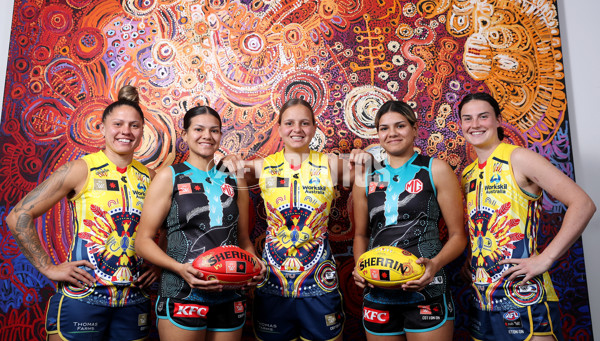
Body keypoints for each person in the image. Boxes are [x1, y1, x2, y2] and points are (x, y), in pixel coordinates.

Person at [6, 85, 158, 340]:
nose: (125, 131)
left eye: (134, 125)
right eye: (117, 124)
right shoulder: (80, 169)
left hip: (134, 301)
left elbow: (164, 224)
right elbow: (18, 216)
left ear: (142, 131)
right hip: (83, 297)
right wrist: (48, 267)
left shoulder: (151, 177)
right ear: (101, 128)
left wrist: (156, 265)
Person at [222, 98, 370, 341]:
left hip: (319, 281)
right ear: (279, 128)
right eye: (289, 123)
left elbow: (368, 176)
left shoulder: (330, 164)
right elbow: (222, 176)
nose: (297, 129)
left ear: (314, 128)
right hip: (272, 281)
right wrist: (228, 161)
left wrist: (363, 160)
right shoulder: (262, 167)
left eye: (304, 123)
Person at [458, 92, 596, 341]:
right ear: (460, 125)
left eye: (483, 117)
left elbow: (583, 204)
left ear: (498, 120)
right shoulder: (468, 174)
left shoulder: (519, 158)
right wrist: (473, 256)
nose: (475, 124)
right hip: (483, 298)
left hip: (523, 293)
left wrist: (546, 259)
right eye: (467, 119)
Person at [134, 105, 264, 341]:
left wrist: (254, 264)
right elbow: (142, 242)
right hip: (182, 292)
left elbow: (243, 239)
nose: (207, 135)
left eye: (214, 130)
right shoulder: (169, 176)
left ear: (220, 135)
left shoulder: (234, 178)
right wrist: (180, 269)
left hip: (230, 292)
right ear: (185, 135)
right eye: (199, 129)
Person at [352, 100, 467, 340]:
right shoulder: (366, 177)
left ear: (414, 129)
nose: (392, 133)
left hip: (426, 287)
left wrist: (434, 265)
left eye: (400, 126)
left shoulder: (436, 170)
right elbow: (361, 235)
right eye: (384, 128)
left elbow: (458, 236)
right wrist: (359, 267)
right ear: (378, 134)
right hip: (377, 290)